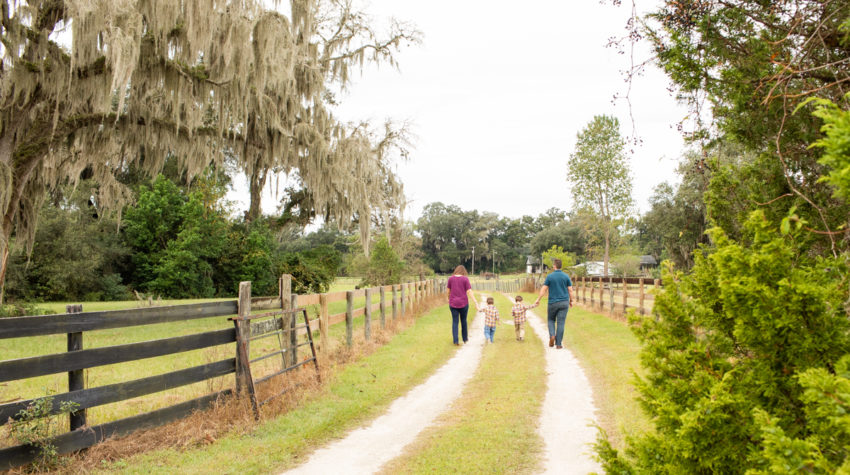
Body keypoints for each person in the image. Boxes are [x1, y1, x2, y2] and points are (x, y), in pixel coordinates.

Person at [534, 258, 575, 349]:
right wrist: (571, 300)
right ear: (561, 266)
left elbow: (543, 289)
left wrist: (538, 299)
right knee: (561, 323)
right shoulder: (566, 276)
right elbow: (570, 290)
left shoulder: (550, 276)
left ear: (554, 266)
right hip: (564, 303)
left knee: (551, 320)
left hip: (552, 302)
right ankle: (559, 344)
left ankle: (552, 335)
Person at [446, 265, 476, 345]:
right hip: (464, 303)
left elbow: (448, 291)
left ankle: (455, 340)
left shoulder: (451, 279)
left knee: (455, 321)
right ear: (463, 271)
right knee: (464, 321)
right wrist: (475, 301)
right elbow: (469, 291)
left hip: (453, 303)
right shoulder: (465, 279)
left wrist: (448, 298)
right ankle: (465, 339)